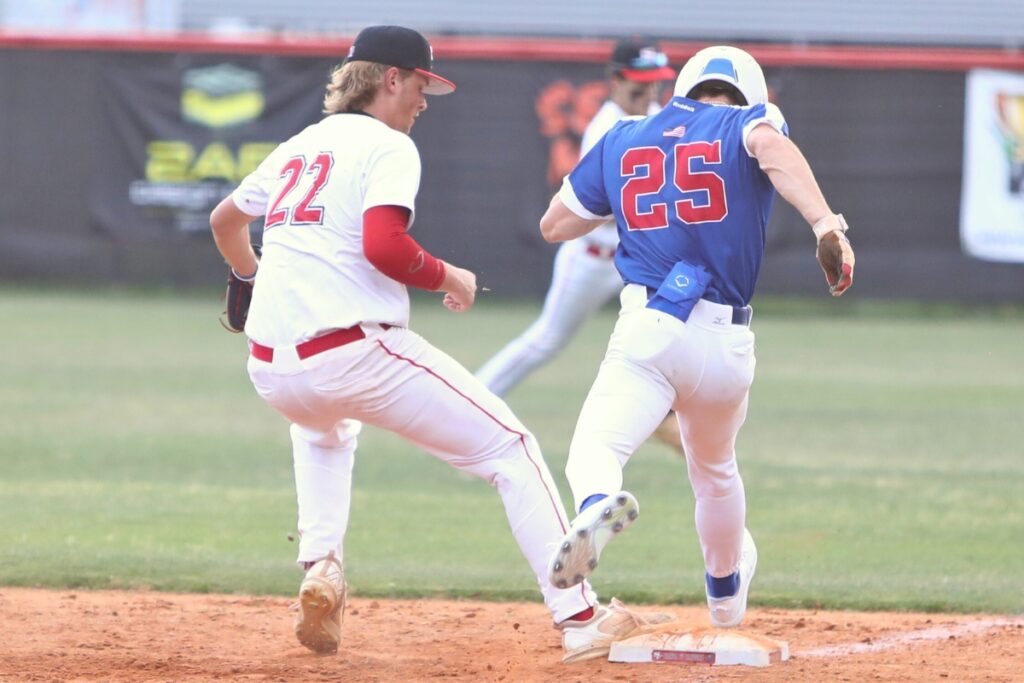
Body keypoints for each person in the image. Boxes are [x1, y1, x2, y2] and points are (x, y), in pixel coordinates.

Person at [208, 25, 669, 663]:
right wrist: (449, 277)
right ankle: (582, 617)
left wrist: (248, 276)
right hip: (354, 353)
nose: (426, 99)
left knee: (322, 428)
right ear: (390, 78)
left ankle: (321, 568)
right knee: (512, 450)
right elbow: (383, 246)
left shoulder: (298, 146)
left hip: (271, 368)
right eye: (423, 84)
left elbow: (225, 221)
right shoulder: (389, 146)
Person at [539, 46, 855, 629]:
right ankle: (724, 598)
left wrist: (633, 201)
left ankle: (594, 508)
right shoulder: (747, 120)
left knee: (596, 450)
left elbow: (556, 224)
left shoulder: (624, 135)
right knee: (714, 473)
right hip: (727, 340)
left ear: (684, 85)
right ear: (751, 91)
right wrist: (825, 223)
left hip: (651, 326)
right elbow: (770, 145)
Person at [476, 39, 686, 450]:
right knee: (545, 341)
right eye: (639, 86)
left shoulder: (659, 117)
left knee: (677, 329)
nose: (648, 95)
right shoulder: (605, 129)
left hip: (638, 259)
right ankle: (471, 404)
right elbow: (602, 207)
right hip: (592, 257)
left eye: (655, 85)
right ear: (614, 81)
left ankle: (664, 415)